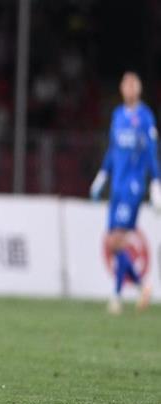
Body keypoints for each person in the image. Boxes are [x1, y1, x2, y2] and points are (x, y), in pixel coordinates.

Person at [90, 71, 161, 314]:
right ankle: (140, 287)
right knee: (114, 243)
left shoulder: (146, 117)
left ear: (139, 89)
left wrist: (156, 184)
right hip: (117, 185)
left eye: (133, 85)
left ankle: (119, 296)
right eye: (126, 84)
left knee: (115, 241)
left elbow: (151, 152)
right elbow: (112, 150)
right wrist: (102, 175)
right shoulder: (118, 115)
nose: (129, 89)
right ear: (122, 89)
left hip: (133, 186)